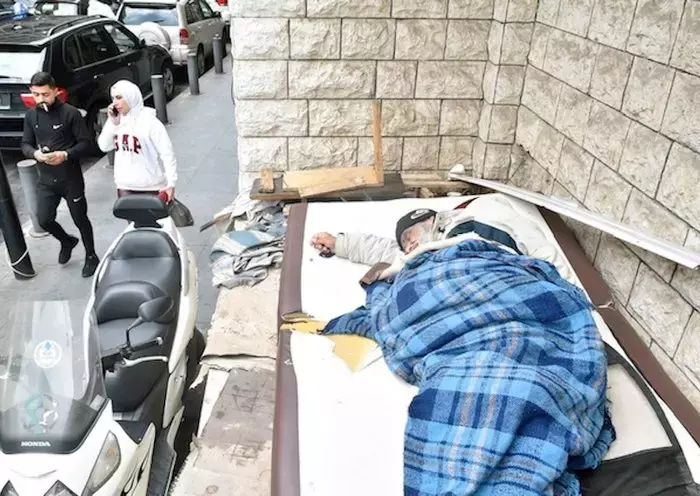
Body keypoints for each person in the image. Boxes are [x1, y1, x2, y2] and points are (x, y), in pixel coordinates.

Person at [310, 193, 570, 278]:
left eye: (410, 236)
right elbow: (384, 251)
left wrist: (564, 284)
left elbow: (535, 245)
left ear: (429, 220)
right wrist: (339, 243)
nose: (409, 245)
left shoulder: (476, 216)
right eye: (406, 244)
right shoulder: (422, 253)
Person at [21, 71, 99, 278]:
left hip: (70, 177)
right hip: (46, 178)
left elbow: (86, 143)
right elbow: (25, 143)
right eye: (36, 94)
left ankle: (91, 255)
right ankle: (66, 241)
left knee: (79, 218)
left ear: (55, 91)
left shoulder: (70, 113)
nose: (41, 99)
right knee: (44, 220)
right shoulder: (31, 115)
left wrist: (65, 154)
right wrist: (35, 154)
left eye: (45, 94)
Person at [97, 80, 177, 202]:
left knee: (157, 221)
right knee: (133, 221)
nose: (115, 103)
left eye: (119, 98)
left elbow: (167, 153)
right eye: (113, 98)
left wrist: (171, 183)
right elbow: (104, 146)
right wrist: (113, 124)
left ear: (130, 97)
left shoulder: (150, 121)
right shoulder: (115, 120)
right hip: (125, 186)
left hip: (152, 186)